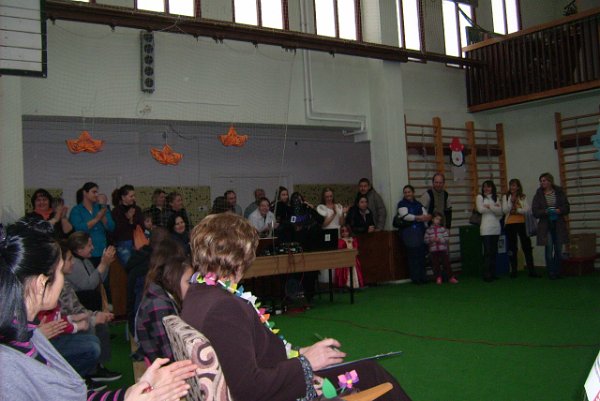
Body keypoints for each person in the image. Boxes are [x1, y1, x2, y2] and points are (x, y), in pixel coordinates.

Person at [181, 213, 412, 401]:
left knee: (367, 371)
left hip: (284, 376)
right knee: (372, 376)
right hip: (289, 391)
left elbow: (244, 358)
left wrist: (301, 353)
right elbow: (248, 389)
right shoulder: (224, 308)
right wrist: (306, 363)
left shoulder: (199, 294)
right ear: (241, 255)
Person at [0, 219, 198, 401]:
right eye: (60, 271)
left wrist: (128, 395)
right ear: (41, 284)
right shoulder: (9, 366)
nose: (63, 279)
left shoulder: (27, 334)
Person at [50, 242, 121, 384]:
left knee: (98, 325)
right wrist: (92, 318)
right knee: (91, 335)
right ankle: (82, 376)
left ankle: (96, 368)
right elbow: (88, 285)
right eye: (69, 259)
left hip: (71, 322)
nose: (73, 263)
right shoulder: (56, 286)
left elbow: (77, 309)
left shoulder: (66, 281)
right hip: (61, 332)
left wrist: (94, 315)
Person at [135, 239, 192, 362]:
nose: (192, 287)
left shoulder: (158, 291)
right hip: (165, 366)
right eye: (188, 282)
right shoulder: (159, 304)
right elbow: (169, 355)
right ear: (174, 275)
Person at [531, 172, 570, 280]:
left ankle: (558, 271)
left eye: (544, 180)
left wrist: (559, 210)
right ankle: (551, 272)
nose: (542, 183)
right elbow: (535, 211)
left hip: (558, 224)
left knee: (558, 249)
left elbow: (566, 207)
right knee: (549, 249)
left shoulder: (559, 192)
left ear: (550, 181)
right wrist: (545, 211)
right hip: (545, 225)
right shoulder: (538, 195)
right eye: (541, 181)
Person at [67, 231, 116, 311]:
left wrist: (106, 264)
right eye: (89, 246)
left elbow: (99, 280)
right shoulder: (74, 264)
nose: (92, 248)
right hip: (77, 304)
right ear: (79, 249)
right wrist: (103, 264)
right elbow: (88, 286)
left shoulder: (86, 261)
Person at [70, 182, 115, 266]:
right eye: (94, 192)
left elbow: (111, 227)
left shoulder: (101, 208)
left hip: (102, 250)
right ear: (85, 193)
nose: (96, 195)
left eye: (97, 192)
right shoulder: (76, 210)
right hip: (85, 253)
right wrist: (96, 219)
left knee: (104, 274)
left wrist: (102, 215)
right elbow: (78, 229)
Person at [501, 178, 539, 278]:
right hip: (510, 224)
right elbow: (505, 210)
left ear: (518, 187)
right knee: (512, 247)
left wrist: (517, 210)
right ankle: (514, 270)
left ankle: (531, 270)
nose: (512, 187)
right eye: (511, 185)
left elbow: (527, 209)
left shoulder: (522, 197)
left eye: (514, 185)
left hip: (522, 223)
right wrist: (511, 203)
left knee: (527, 246)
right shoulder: (506, 196)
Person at [396, 185, 430, 285]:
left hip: (420, 231)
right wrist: (418, 217)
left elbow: (425, 216)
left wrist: (422, 218)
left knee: (421, 254)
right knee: (413, 255)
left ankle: (423, 276)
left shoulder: (418, 204)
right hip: (409, 233)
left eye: (409, 192)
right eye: (405, 192)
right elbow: (405, 216)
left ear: (413, 192)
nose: (407, 194)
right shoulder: (401, 204)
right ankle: (415, 278)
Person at [476, 180, 504, 282]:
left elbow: (500, 212)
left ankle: (493, 273)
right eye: (484, 187)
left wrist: (489, 206)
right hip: (486, 229)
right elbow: (480, 210)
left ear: (492, 188)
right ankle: (486, 274)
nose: (486, 189)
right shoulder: (480, 197)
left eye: (488, 187)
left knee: (493, 252)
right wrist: (494, 208)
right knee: (487, 252)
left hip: (495, 228)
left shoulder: (496, 198)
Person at [112, 184, 144, 266]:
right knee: (129, 267)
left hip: (137, 242)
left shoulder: (137, 209)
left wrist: (131, 221)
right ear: (123, 197)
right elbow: (116, 230)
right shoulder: (116, 211)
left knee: (140, 267)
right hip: (123, 243)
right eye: (131, 196)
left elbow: (142, 226)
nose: (134, 198)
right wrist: (126, 218)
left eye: (134, 196)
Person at [424, 212, 457, 285]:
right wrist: (431, 240)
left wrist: (439, 240)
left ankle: (451, 277)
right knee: (435, 265)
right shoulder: (428, 230)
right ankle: (438, 277)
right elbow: (425, 240)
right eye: (436, 219)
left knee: (446, 264)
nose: (438, 221)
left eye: (439, 219)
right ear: (432, 219)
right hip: (433, 250)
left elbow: (446, 238)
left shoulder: (442, 229)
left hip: (443, 250)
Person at [335, 224, 364, 288]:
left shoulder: (353, 239)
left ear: (349, 231)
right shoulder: (340, 241)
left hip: (353, 258)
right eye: (343, 231)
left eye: (346, 231)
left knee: (355, 271)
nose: (345, 233)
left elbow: (356, 248)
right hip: (344, 260)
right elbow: (340, 249)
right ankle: (345, 285)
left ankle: (355, 285)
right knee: (344, 272)